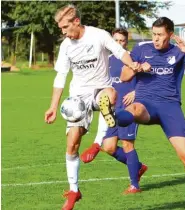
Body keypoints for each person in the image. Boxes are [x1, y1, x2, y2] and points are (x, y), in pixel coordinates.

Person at [99, 17, 185, 210]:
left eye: (160, 35)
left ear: (170, 34)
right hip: (145, 103)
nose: (156, 39)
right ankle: (113, 117)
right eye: (153, 34)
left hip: (170, 108)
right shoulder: (142, 49)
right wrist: (136, 67)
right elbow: (124, 76)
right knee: (134, 109)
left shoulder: (179, 51)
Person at [44, 5, 139, 210]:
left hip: (100, 89)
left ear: (76, 21)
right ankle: (74, 190)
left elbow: (120, 52)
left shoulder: (99, 35)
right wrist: (52, 106)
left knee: (110, 95)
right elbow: (60, 77)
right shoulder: (66, 46)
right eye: (60, 28)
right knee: (72, 144)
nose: (63, 31)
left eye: (65, 26)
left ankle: (98, 140)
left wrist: (131, 64)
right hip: (78, 97)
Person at [80, 28, 148, 194]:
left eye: (122, 41)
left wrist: (136, 93)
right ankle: (138, 167)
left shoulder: (133, 59)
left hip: (130, 109)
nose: (119, 44)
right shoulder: (106, 61)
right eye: (116, 40)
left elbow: (148, 83)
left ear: (126, 41)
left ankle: (134, 185)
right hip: (111, 111)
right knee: (108, 147)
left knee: (127, 144)